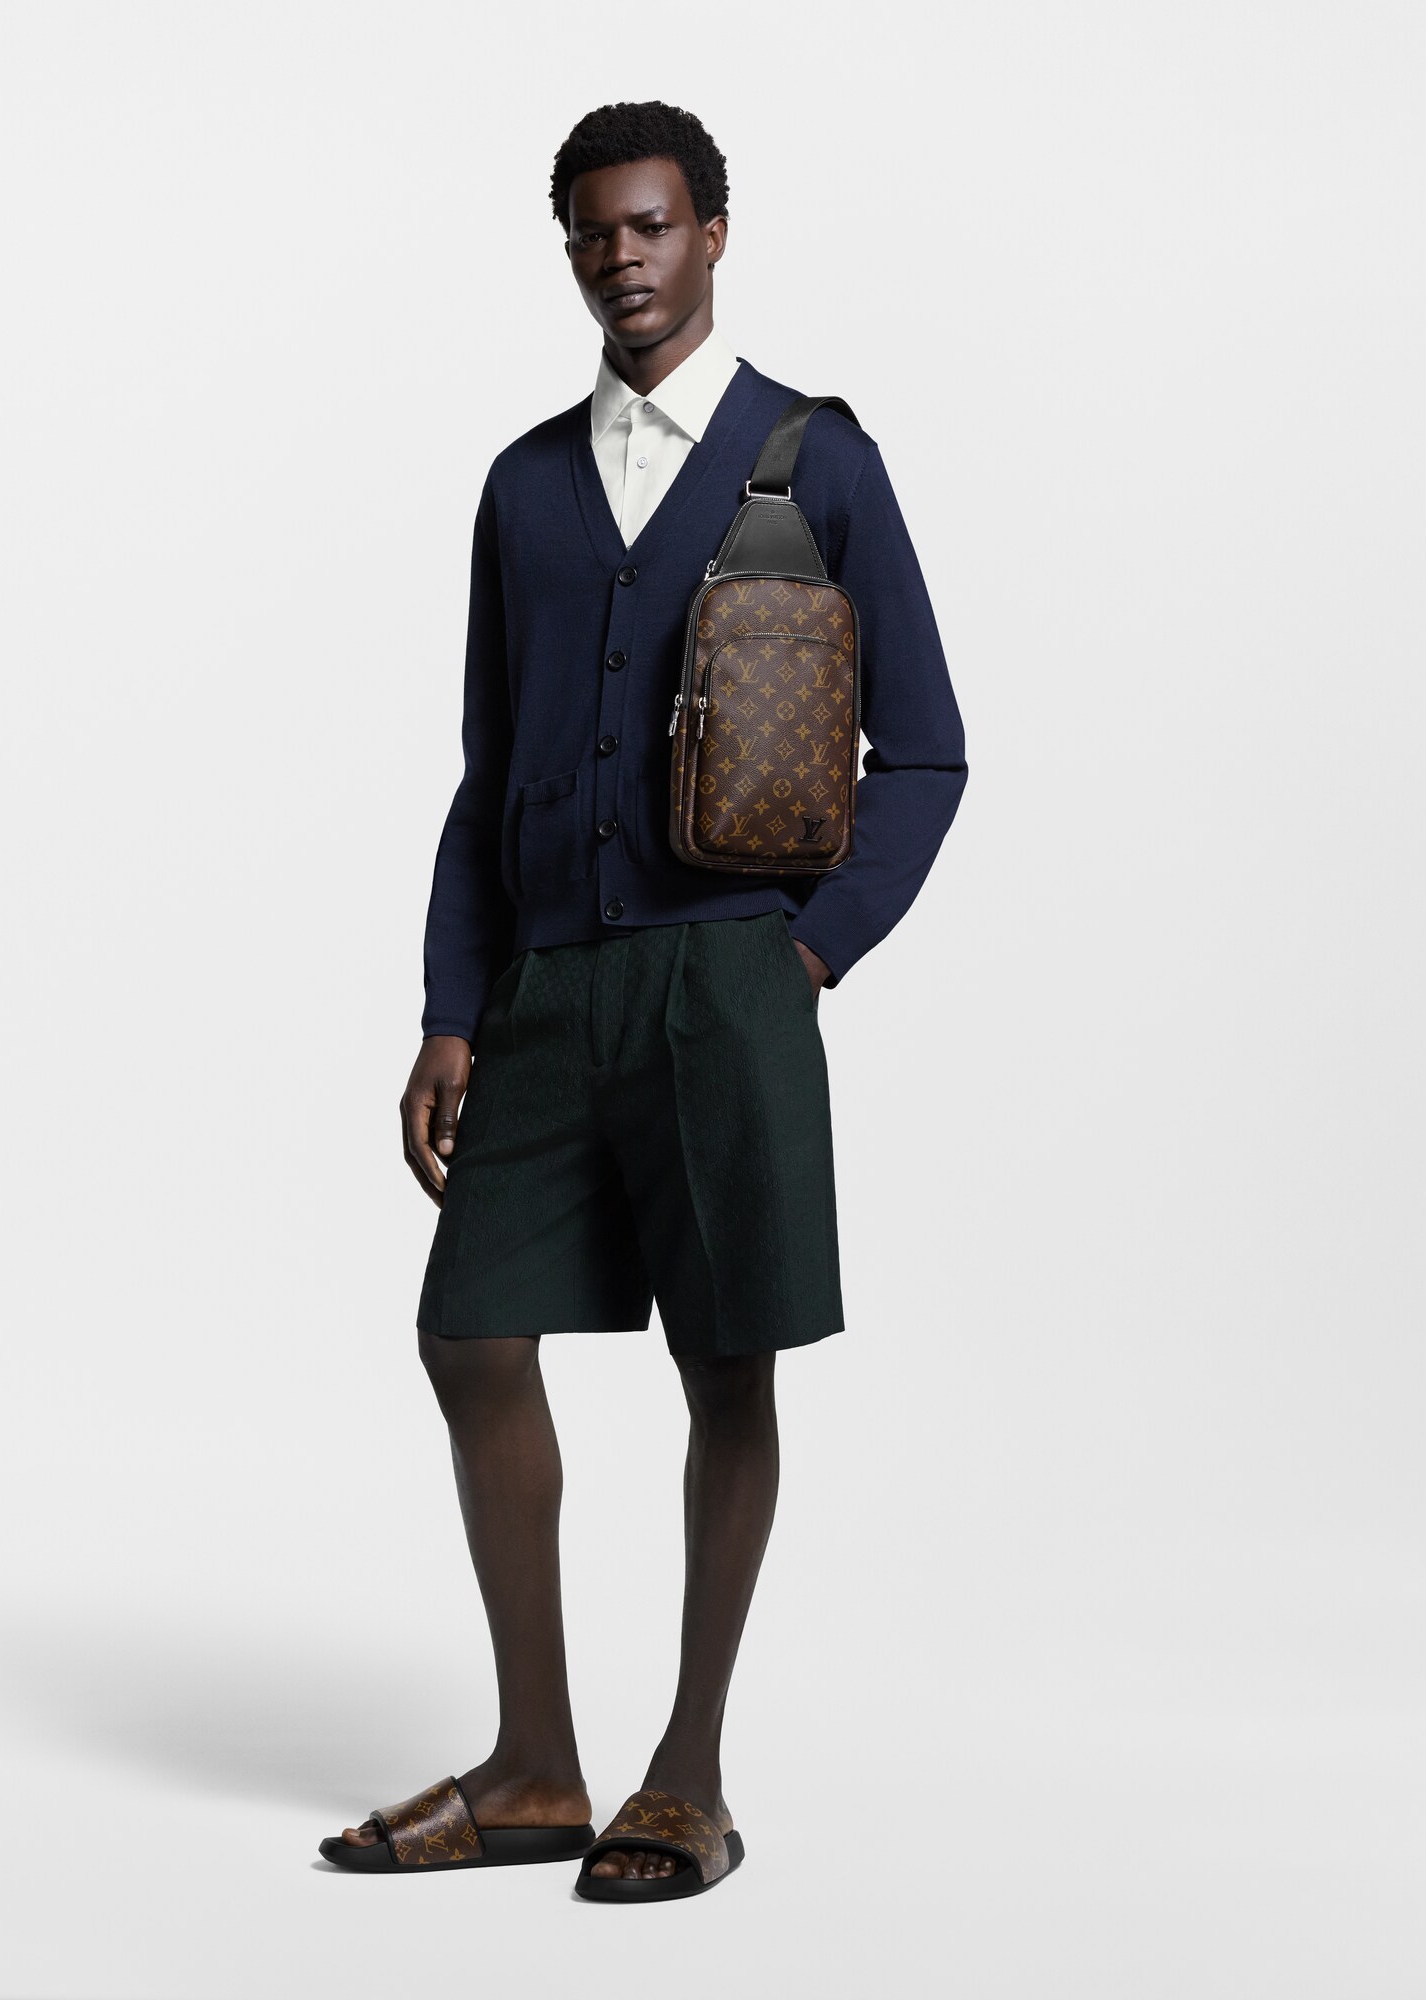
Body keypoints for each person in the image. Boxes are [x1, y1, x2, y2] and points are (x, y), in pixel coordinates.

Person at [319, 99, 967, 1900]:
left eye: (655, 223)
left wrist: (805, 949)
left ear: (714, 233)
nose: (626, 255)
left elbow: (926, 751)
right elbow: (487, 772)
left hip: (723, 985)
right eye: (595, 231)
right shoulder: (523, 486)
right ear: (572, 251)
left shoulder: (817, 460)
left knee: (725, 1361)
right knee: (471, 1335)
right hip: (547, 985)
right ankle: (537, 1765)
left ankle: (687, 1774)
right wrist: (452, 1009)